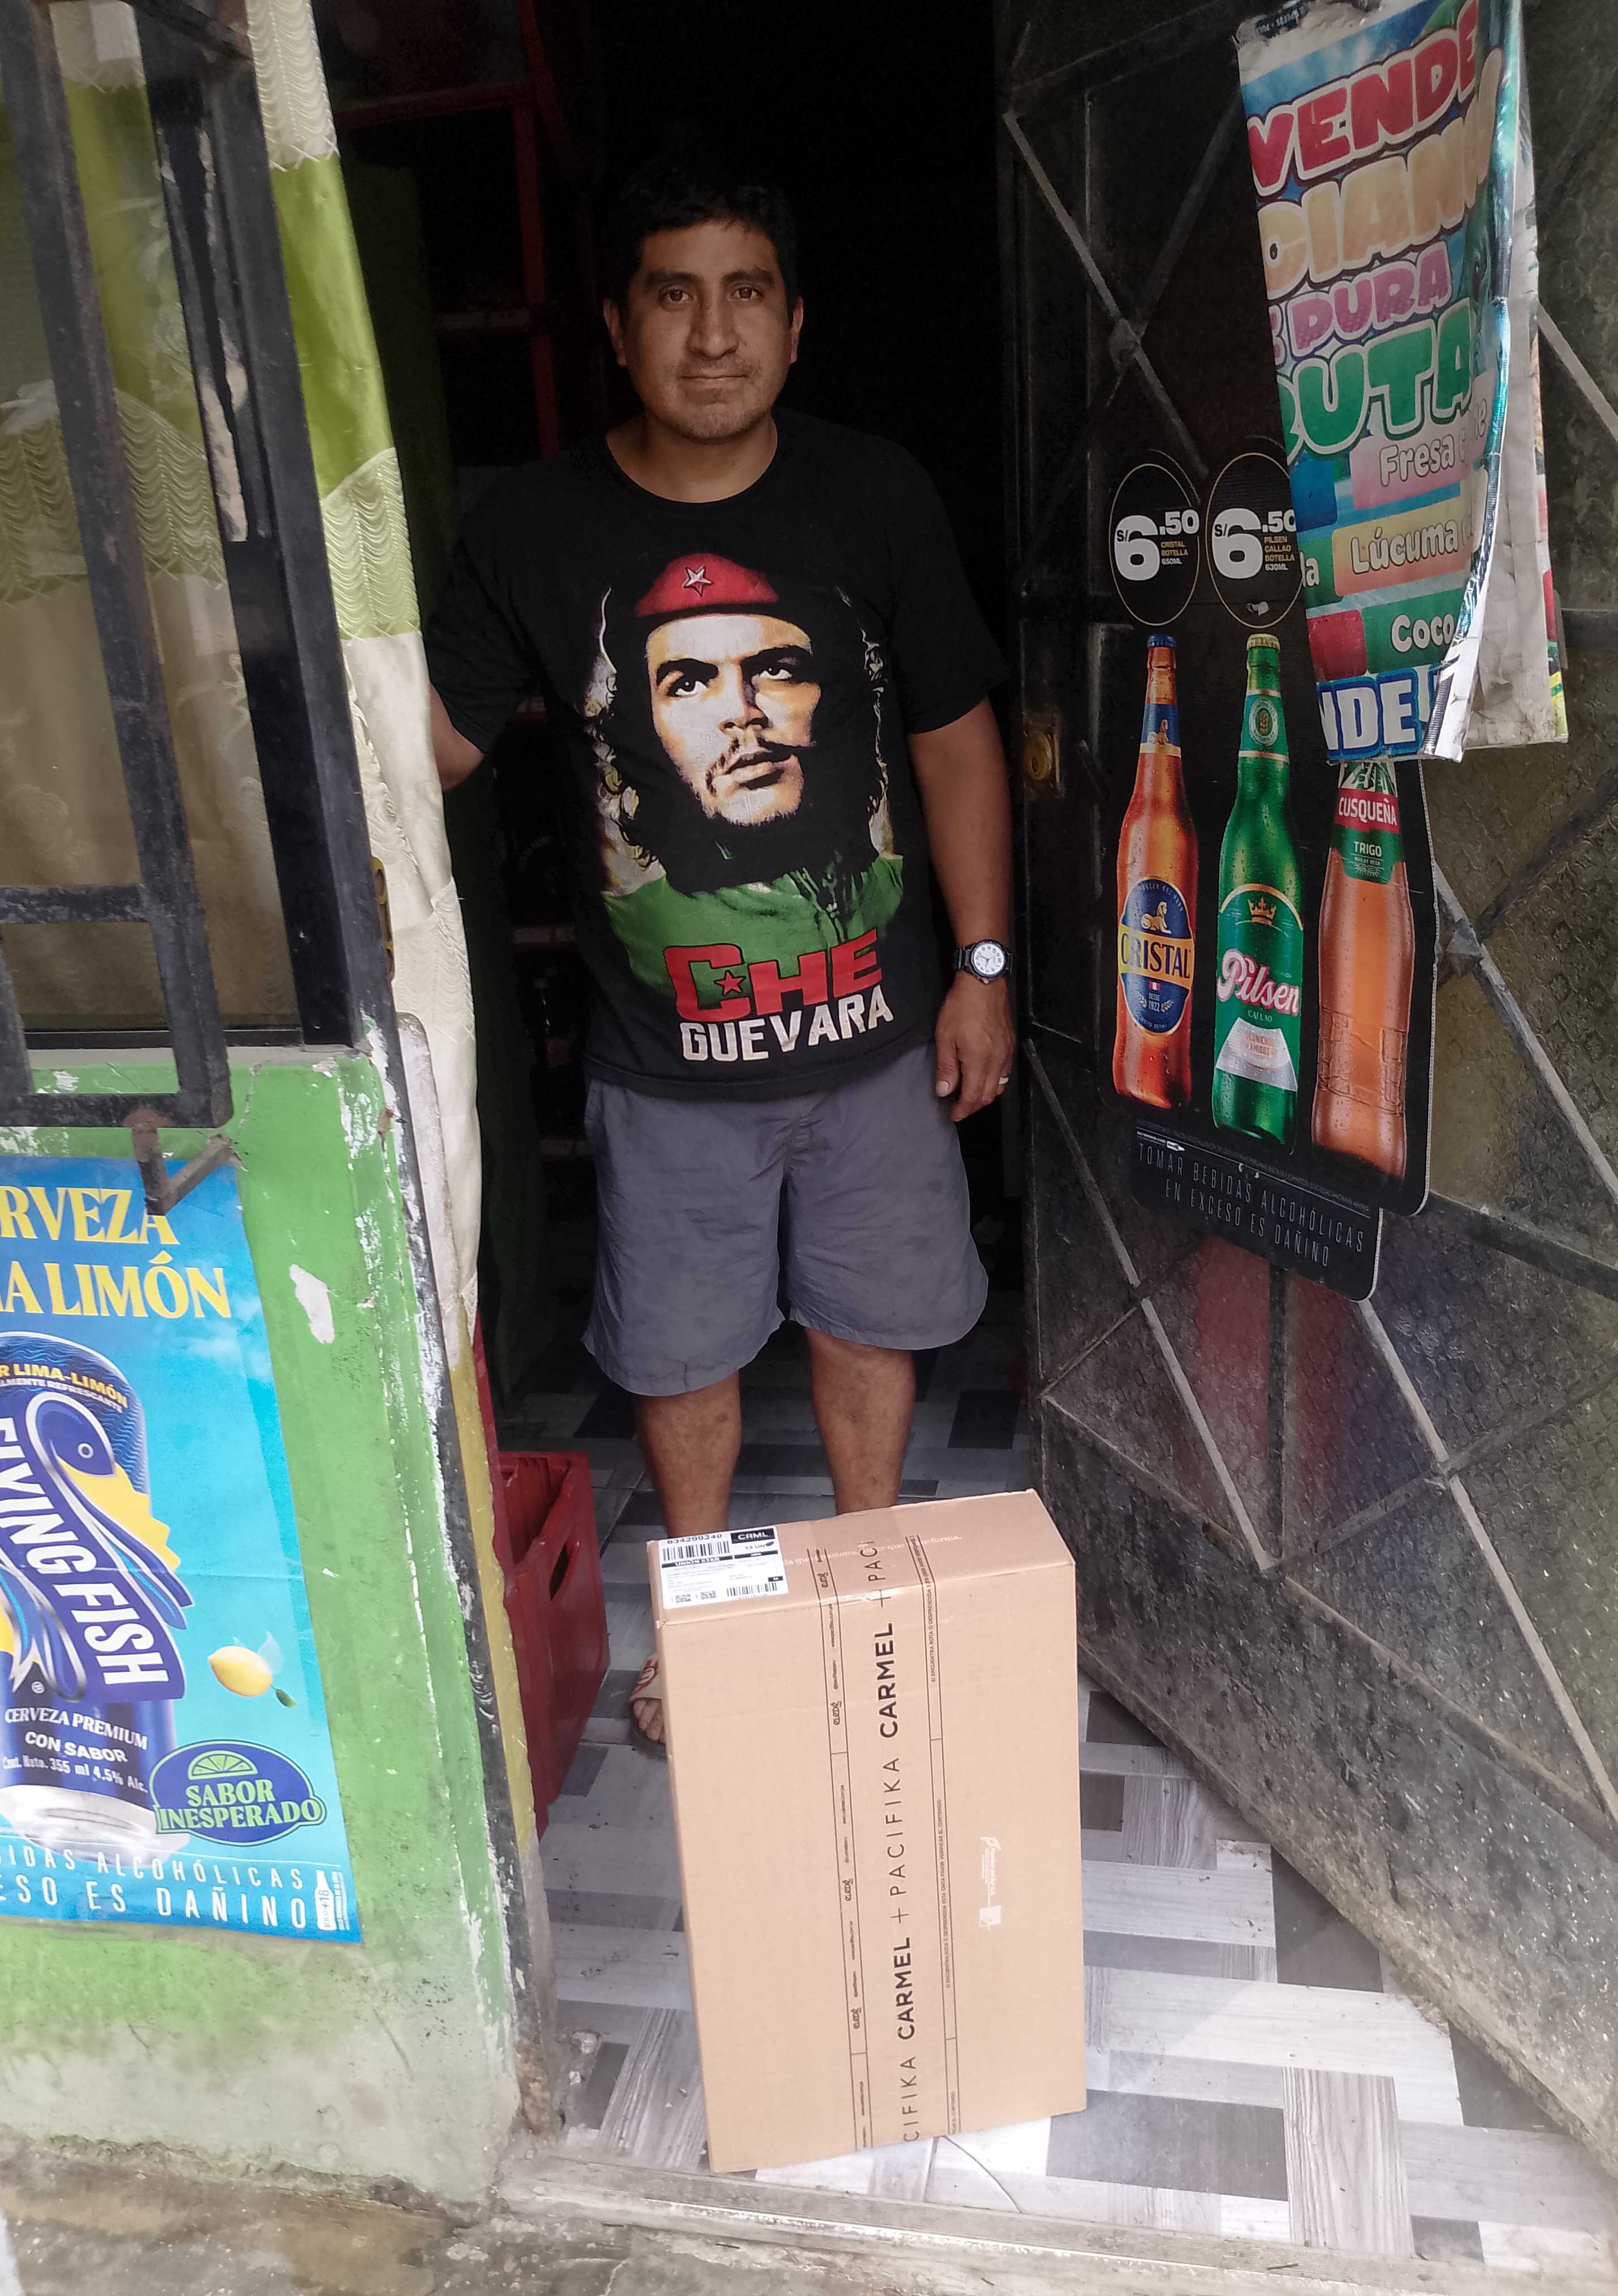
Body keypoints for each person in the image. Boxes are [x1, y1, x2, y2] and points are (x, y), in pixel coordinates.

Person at [425, 155, 1014, 1747]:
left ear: (796, 323)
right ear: (618, 328)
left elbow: (956, 741)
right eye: (672, 295)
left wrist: (980, 971)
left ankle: (870, 1580)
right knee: (681, 1356)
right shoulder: (536, 528)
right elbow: (432, 747)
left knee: (870, 1322)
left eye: (746, 292)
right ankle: (705, 1624)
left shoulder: (872, 494)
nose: (711, 334)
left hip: (879, 1045)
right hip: (663, 1065)